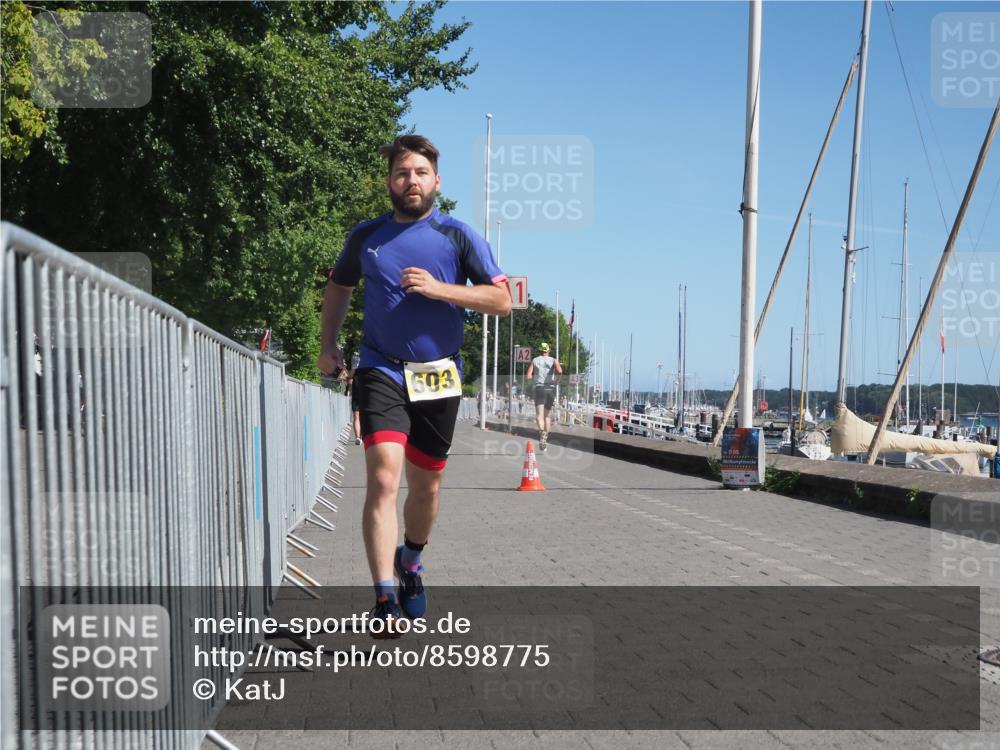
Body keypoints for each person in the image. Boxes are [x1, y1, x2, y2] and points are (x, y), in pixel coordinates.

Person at [317, 135, 511, 638]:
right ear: (390, 181)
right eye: (403, 173)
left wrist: (440, 289)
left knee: (426, 487)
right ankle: (384, 597)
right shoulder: (367, 236)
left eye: (421, 173)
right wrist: (328, 343)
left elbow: (501, 301)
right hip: (381, 369)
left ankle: (411, 558)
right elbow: (339, 285)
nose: (412, 181)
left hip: (438, 375)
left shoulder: (458, 236)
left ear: (436, 181)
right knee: (383, 479)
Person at [525, 342, 561, 452]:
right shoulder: (553, 360)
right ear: (548, 351)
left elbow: (528, 376)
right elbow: (560, 371)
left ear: (540, 351)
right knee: (547, 416)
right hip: (550, 389)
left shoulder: (535, 360)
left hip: (539, 388)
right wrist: (556, 380)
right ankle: (545, 439)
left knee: (539, 416)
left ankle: (542, 434)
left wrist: (533, 378)